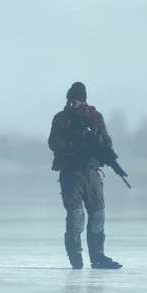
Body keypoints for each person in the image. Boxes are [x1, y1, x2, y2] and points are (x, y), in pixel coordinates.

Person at [48, 82, 123, 270]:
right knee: (75, 215)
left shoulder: (95, 117)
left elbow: (105, 140)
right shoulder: (61, 119)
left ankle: (98, 256)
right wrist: (78, 147)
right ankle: (75, 257)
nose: (71, 103)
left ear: (82, 101)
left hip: (91, 172)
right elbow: (54, 143)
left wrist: (105, 153)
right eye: (70, 99)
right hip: (71, 172)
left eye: (75, 100)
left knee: (98, 213)